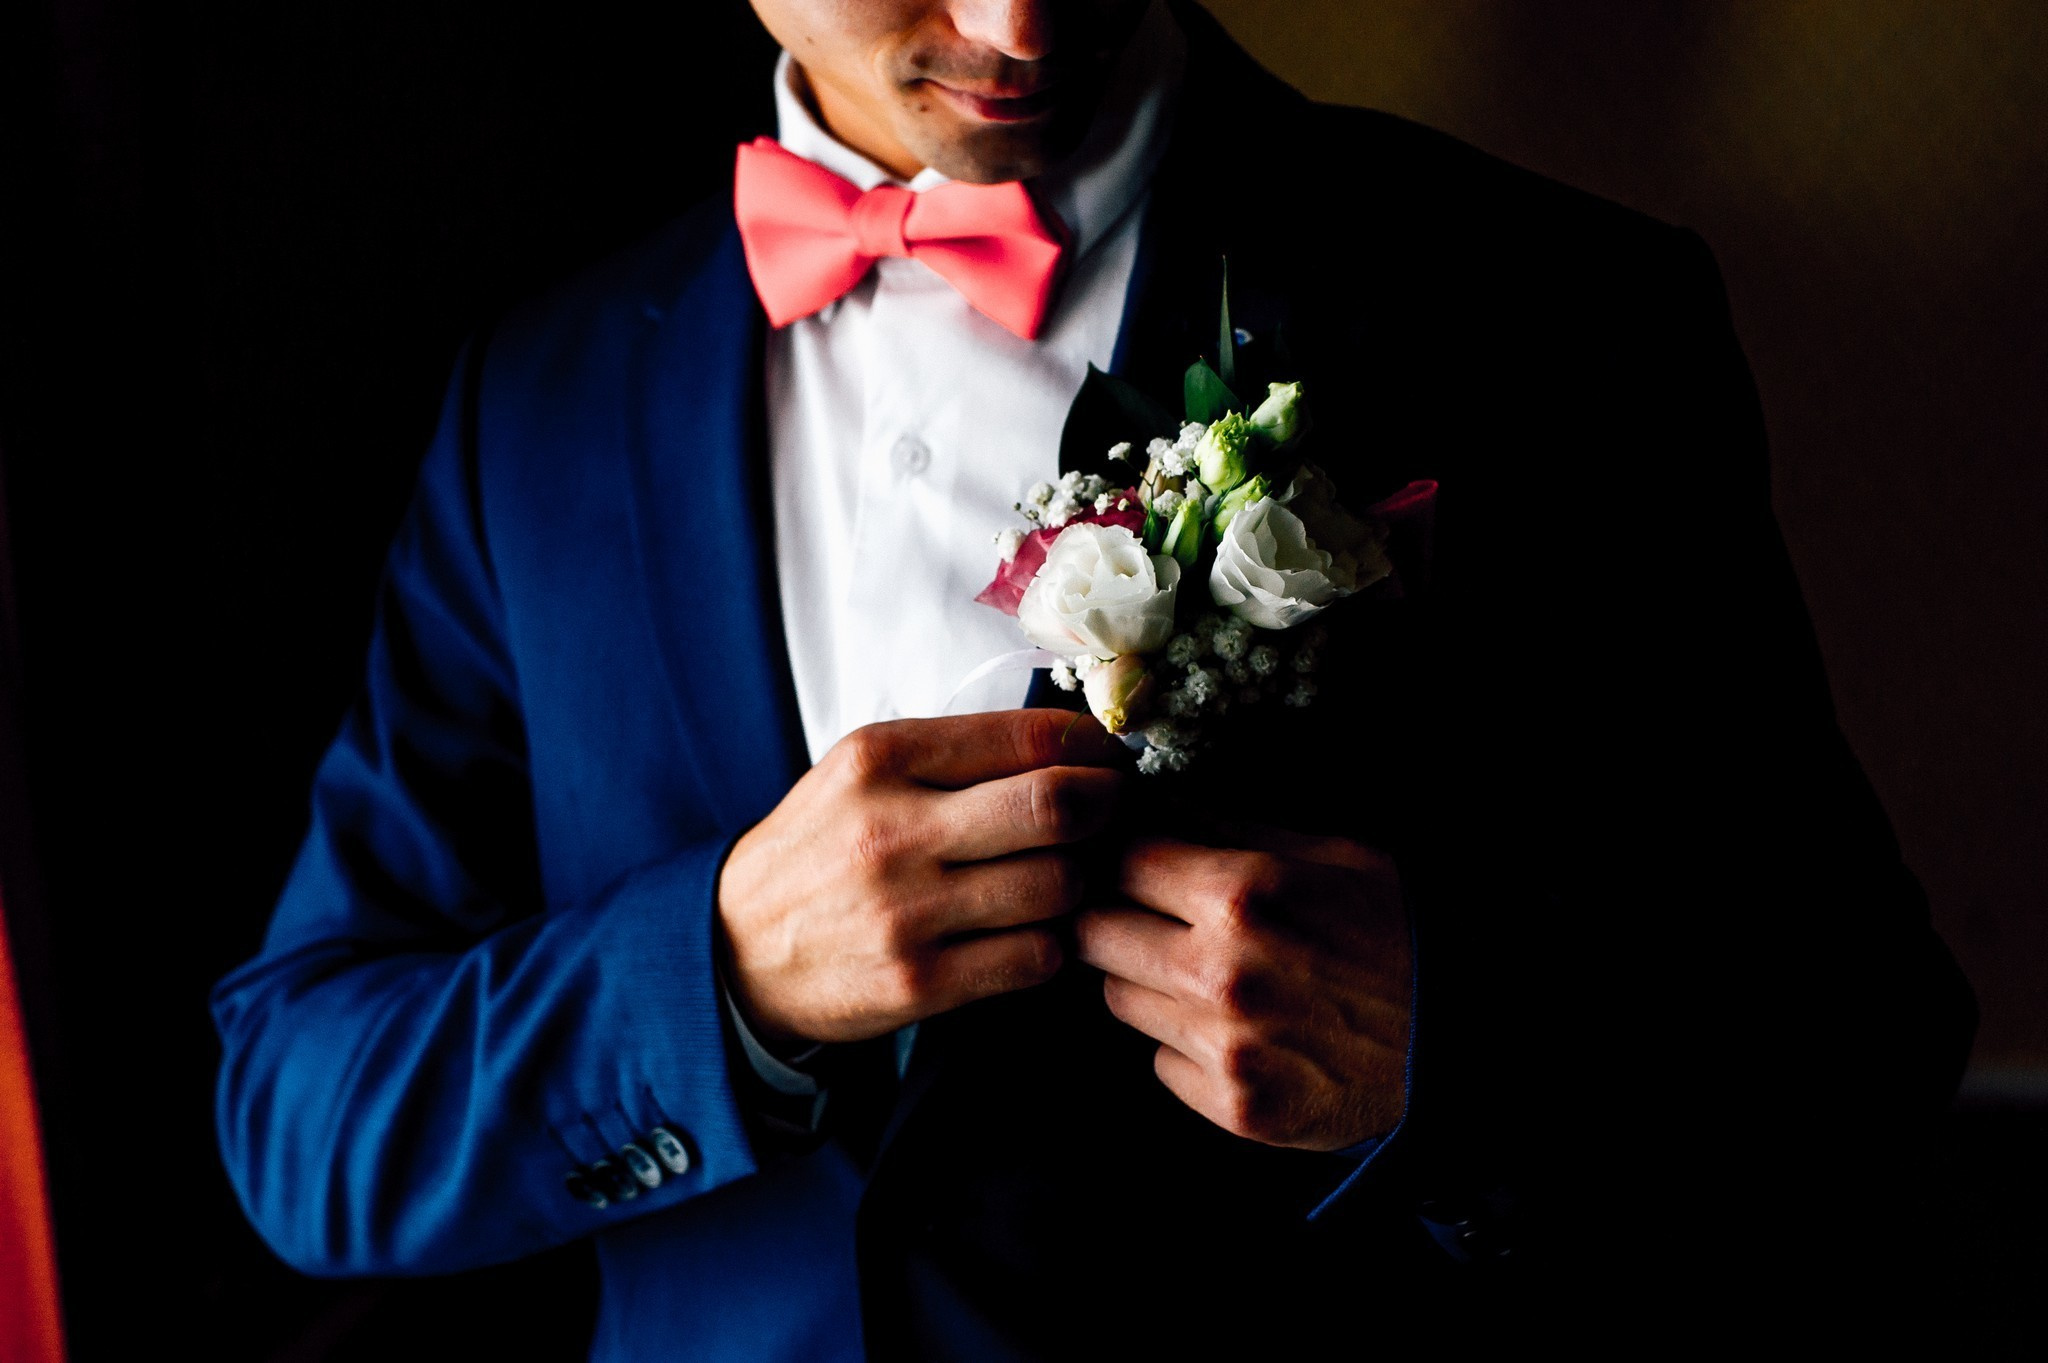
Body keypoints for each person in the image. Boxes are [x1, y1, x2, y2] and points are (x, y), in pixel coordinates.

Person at [212, 1, 1976, 1355]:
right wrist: (724, 974)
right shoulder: (532, 402)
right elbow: (299, 1110)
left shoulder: (1554, 314)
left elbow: (1860, 1048)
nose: (1022, 27)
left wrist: (1457, 1056)